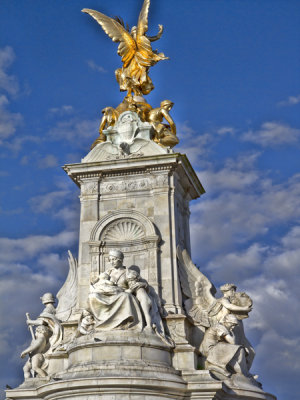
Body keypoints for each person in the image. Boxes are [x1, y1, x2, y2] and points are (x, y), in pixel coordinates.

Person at [88, 250, 143, 331]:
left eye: (114, 259)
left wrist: (129, 290)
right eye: (110, 260)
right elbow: (100, 283)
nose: (111, 262)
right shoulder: (107, 272)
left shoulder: (129, 272)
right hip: (107, 293)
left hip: (122, 293)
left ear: (120, 259)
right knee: (92, 296)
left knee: (126, 296)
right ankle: (103, 322)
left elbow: (133, 287)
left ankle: (123, 323)